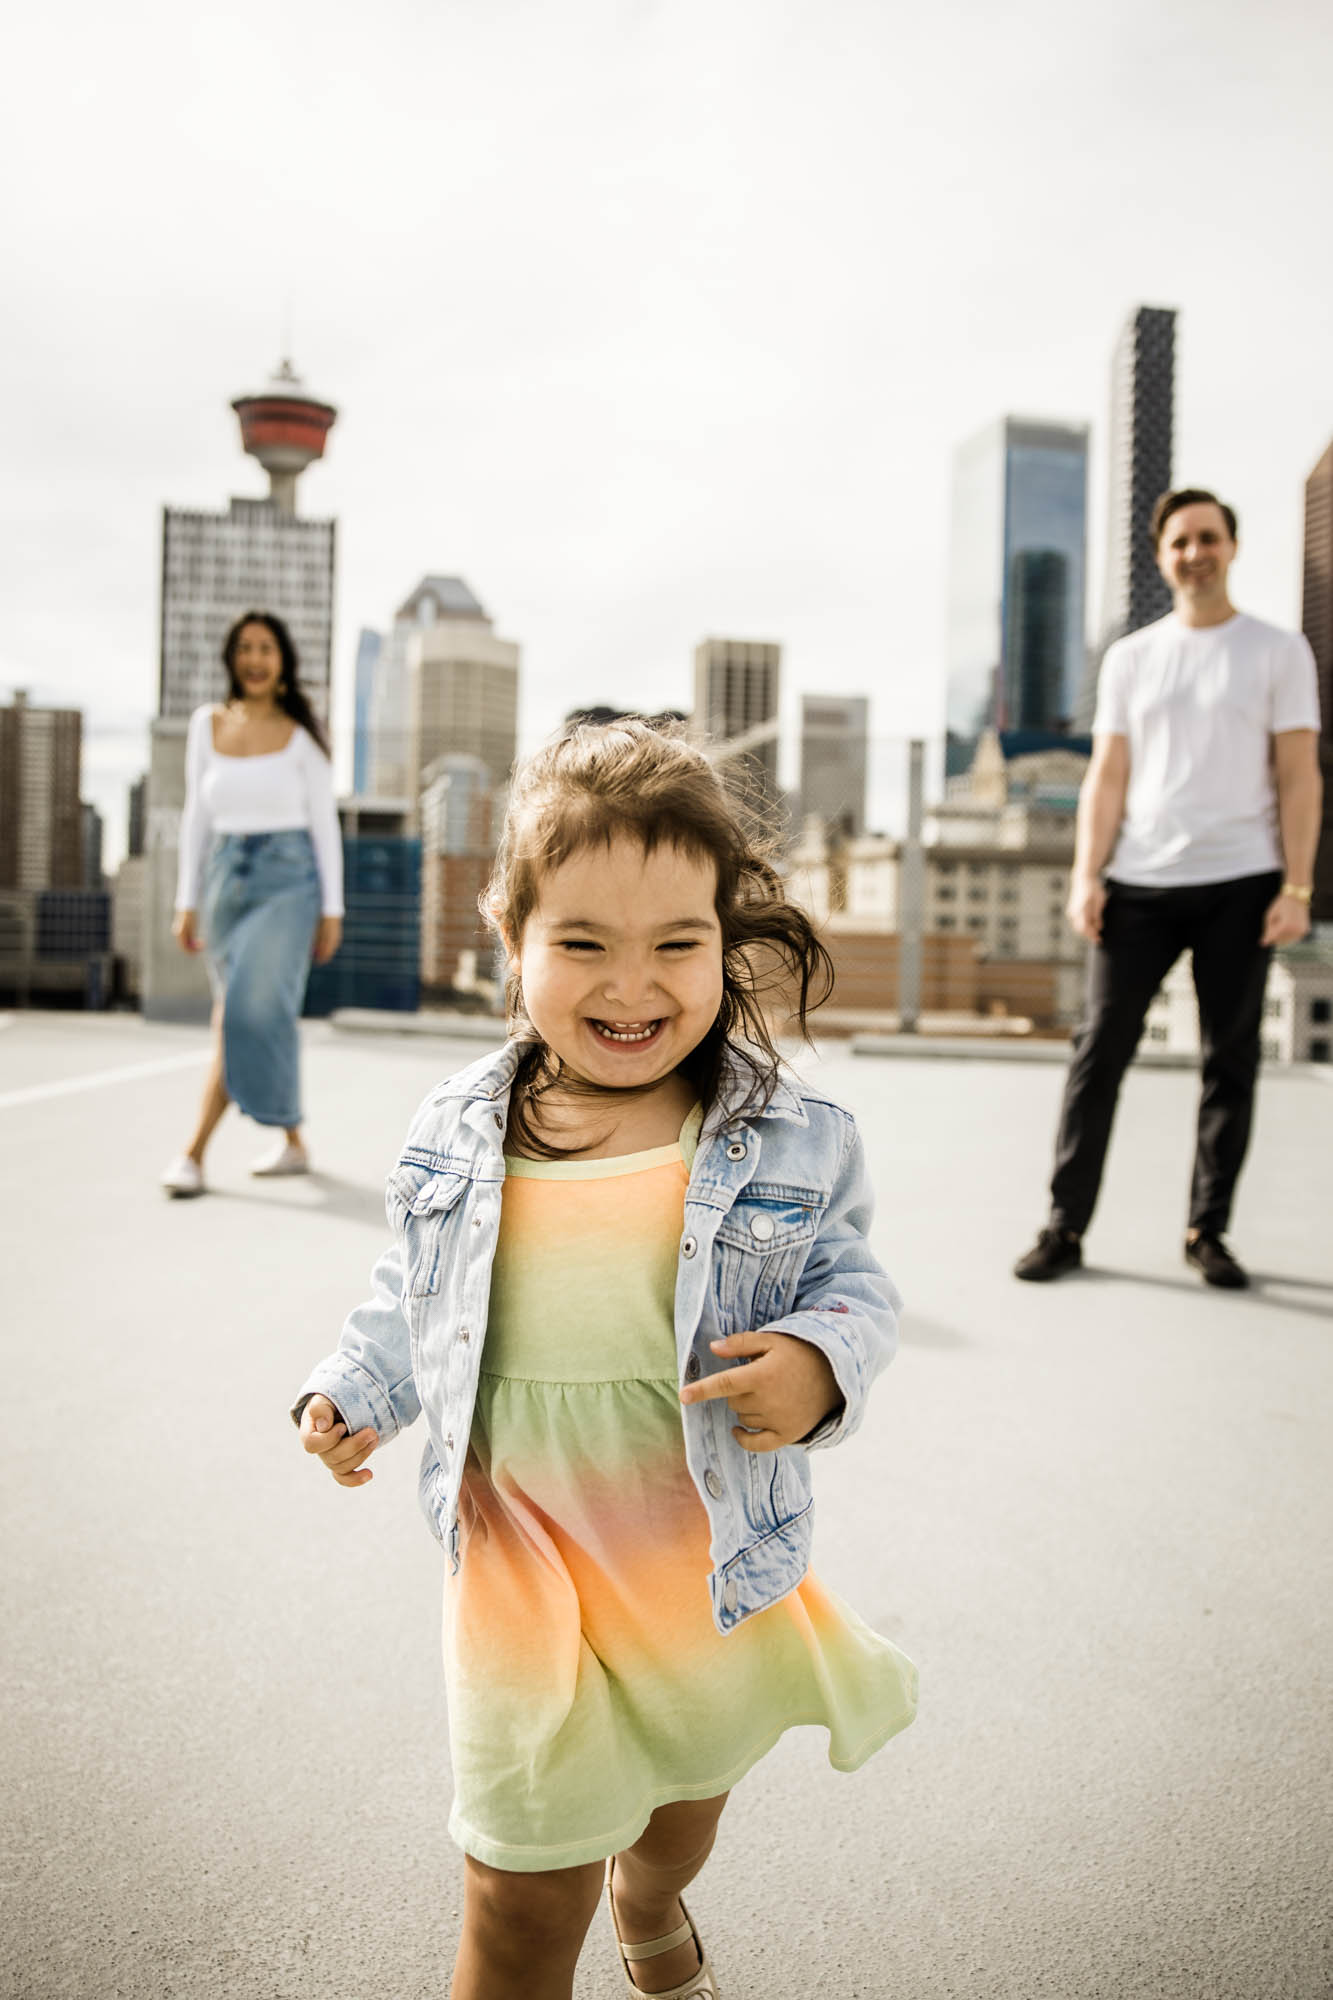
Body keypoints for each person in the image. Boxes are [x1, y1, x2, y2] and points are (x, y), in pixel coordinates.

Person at [293, 722, 917, 2000]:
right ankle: (589, 1909)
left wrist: (817, 1359)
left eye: (675, 946)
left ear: (723, 943)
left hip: (690, 1565)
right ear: (510, 937)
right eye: (581, 942)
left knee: (678, 1816)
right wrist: (353, 1388)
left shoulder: (788, 1135)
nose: (632, 987)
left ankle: (652, 1895)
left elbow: (853, 1284)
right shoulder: (458, 1128)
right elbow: (416, 1297)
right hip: (522, 1575)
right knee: (517, 1901)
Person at [1015, 488, 1322, 1289]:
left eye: (1207, 538)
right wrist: (1087, 873)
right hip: (1139, 883)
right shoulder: (1131, 657)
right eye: (1179, 541)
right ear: (1162, 556)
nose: (1194, 552)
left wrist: (1296, 885)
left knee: (1230, 1061)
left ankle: (1206, 1231)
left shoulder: (1277, 651)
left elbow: (1298, 776)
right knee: (1098, 1053)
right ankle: (1064, 1225)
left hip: (1243, 881)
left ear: (1231, 547)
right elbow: (1106, 777)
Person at [160, 611, 343, 1197]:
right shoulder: (204, 725)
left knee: (240, 1013)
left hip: (289, 884)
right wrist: (186, 899)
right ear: (232, 659)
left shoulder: (302, 736)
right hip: (224, 881)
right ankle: (293, 1142)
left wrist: (331, 910)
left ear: (283, 660)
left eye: (267, 648)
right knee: (256, 1016)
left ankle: (192, 1152)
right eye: (245, 648)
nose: (256, 658)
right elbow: (197, 817)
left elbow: (324, 826)